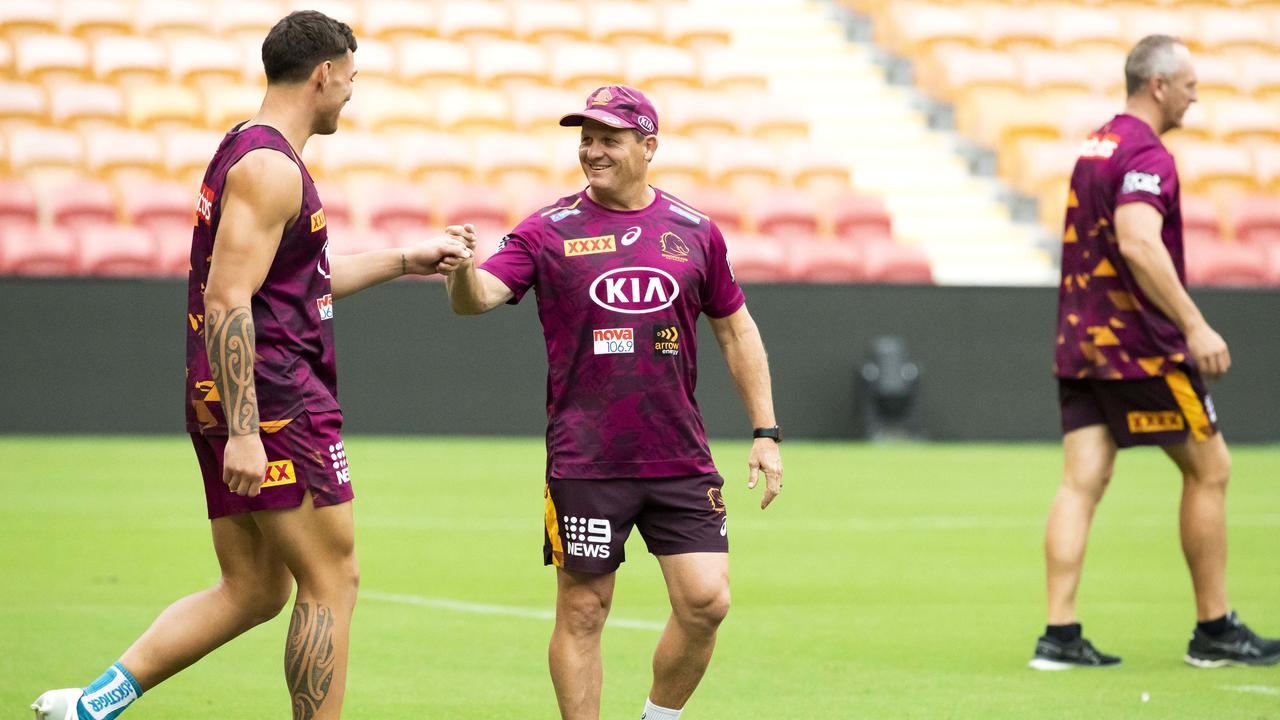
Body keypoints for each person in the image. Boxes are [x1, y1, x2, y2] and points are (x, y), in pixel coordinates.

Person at [32, 11, 471, 719]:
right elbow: (228, 297)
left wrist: (403, 259)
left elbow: (293, 280)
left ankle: (93, 705)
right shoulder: (271, 169)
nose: (352, 93)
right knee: (333, 579)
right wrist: (246, 431)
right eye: (351, 78)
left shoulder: (246, 146)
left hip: (234, 395)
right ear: (324, 73)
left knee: (255, 589)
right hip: (274, 404)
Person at [445, 85, 784, 719]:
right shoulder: (548, 229)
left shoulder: (695, 232)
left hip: (679, 455)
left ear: (648, 146)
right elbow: (479, 298)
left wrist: (766, 430)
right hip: (586, 460)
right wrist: (461, 270)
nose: (591, 152)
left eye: (608, 139)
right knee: (582, 609)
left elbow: (736, 329)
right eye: (585, 139)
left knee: (707, 602)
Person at [1032, 34, 1280, 670]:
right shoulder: (1147, 153)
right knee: (1211, 468)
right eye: (1190, 83)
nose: (1197, 95)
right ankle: (1215, 628)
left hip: (1079, 342)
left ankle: (1059, 636)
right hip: (1137, 348)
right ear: (1158, 85)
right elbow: (1139, 241)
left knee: (1080, 483)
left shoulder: (1098, 143)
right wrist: (1195, 326)